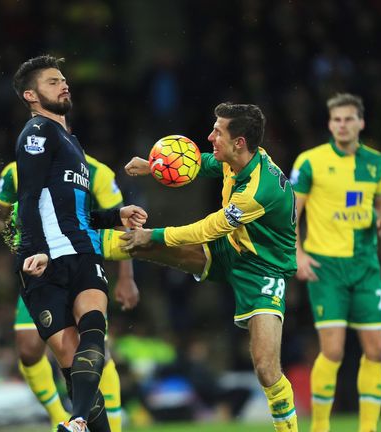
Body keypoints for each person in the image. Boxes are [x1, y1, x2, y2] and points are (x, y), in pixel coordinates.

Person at [122, 102, 299, 432]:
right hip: (232, 248)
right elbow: (203, 163)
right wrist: (154, 165)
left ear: (239, 142)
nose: (209, 136)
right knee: (140, 244)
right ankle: (103, 244)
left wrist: (156, 232)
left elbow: (208, 229)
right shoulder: (236, 161)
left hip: (263, 268)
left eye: (218, 132)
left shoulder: (260, 190)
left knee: (265, 367)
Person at [12, 55, 147, 432]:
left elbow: (80, 213)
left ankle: (75, 422)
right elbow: (29, 196)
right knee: (72, 360)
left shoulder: (72, 143)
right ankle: (80, 420)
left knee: (93, 333)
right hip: (44, 260)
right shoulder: (38, 133)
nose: (64, 85)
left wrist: (113, 217)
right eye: (53, 81)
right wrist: (35, 249)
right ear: (31, 95)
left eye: (64, 80)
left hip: (84, 252)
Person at [0, 153, 139, 431]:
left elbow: (121, 224)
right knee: (29, 348)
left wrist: (126, 278)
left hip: (82, 258)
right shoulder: (16, 171)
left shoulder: (97, 172)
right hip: (37, 268)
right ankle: (62, 415)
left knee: (92, 348)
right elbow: (0, 215)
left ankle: (107, 425)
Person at [290, 93, 381, 432]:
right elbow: (292, 213)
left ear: (361, 123)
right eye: (336, 119)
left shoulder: (376, 163)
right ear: (329, 124)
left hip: (365, 266)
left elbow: (380, 206)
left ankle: (368, 429)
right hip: (326, 267)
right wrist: (298, 254)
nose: (342, 125)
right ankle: (320, 427)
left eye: (349, 119)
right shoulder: (310, 162)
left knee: (377, 349)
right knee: (333, 351)